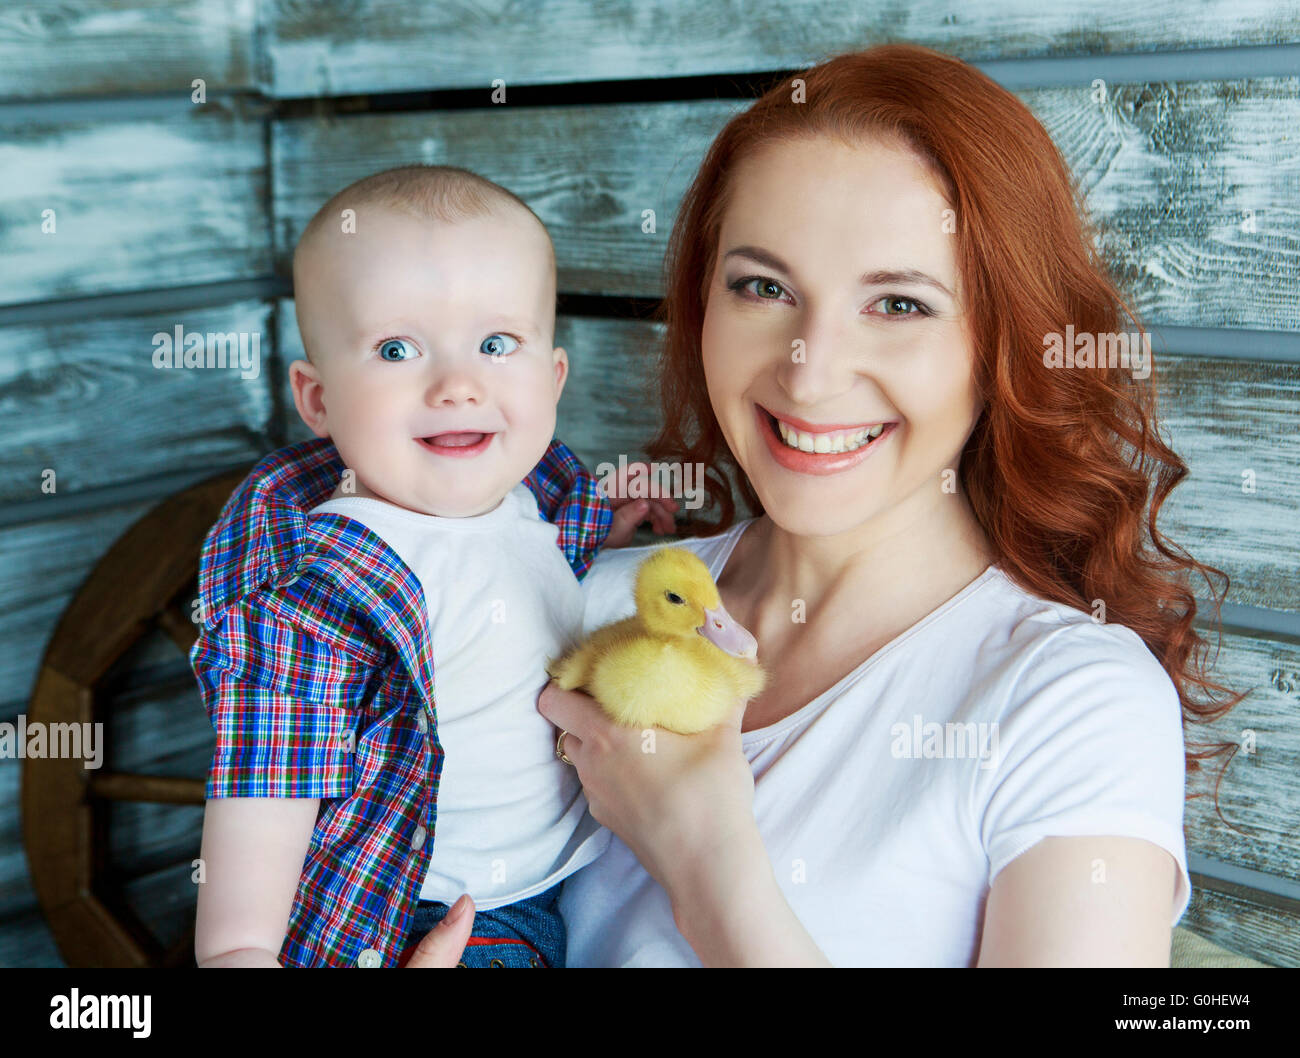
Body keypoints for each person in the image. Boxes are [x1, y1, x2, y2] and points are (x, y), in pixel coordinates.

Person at [522, 43, 1238, 966]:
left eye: (898, 305)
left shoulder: (1068, 702)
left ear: (1003, 344)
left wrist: (707, 864)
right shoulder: (588, 604)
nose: (809, 372)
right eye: (762, 287)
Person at [190, 164, 673, 968]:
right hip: (415, 923)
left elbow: (520, 591)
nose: (456, 384)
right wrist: (238, 949)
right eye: (395, 348)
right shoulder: (324, 584)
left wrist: (610, 534)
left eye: (494, 344)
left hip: (551, 897)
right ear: (317, 399)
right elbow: (266, 776)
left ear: (552, 379)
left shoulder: (531, 507)